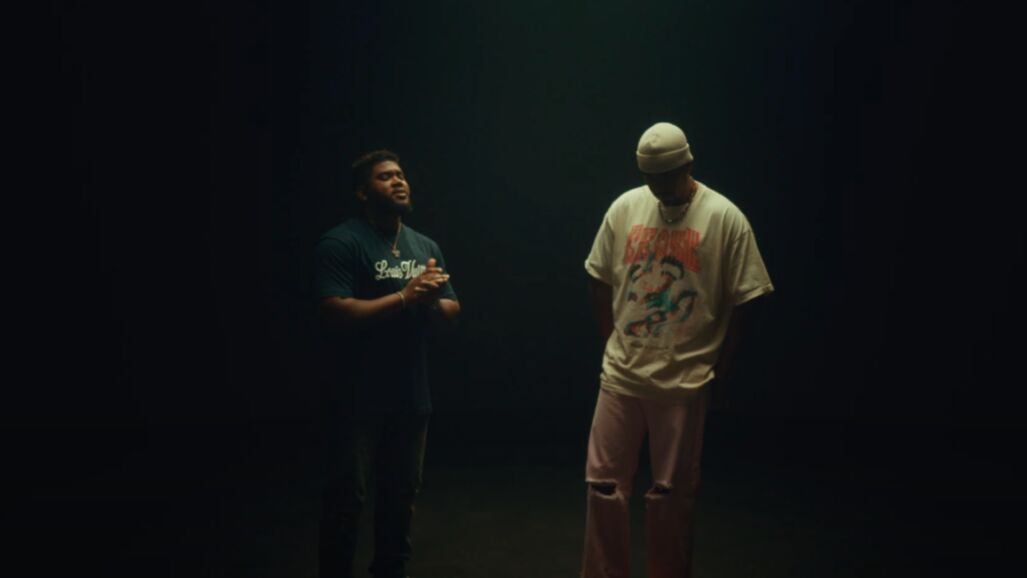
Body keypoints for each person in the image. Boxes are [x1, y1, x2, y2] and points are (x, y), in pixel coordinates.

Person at [581, 122, 774, 578]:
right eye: (649, 177)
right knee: (602, 486)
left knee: (670, 495)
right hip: (622, 376)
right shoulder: (625, 207)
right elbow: (598, 276)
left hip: (684, 380)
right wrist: (611, 340)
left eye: (666, 177)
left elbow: (749, 297)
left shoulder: (724, 217)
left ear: (687, 164)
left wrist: (723, 369)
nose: (657, 187)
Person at [314, 149, 460, 578]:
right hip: (355, 397)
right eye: (385, 177)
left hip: (411, 396)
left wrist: (429, 300)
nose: (398, 181)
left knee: (400, 498)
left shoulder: (424, 246)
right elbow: (335, 310)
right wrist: (404, 296)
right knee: (347, 500)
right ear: (363, 192)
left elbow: (452, 310)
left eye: (401, 175)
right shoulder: (341, 243)